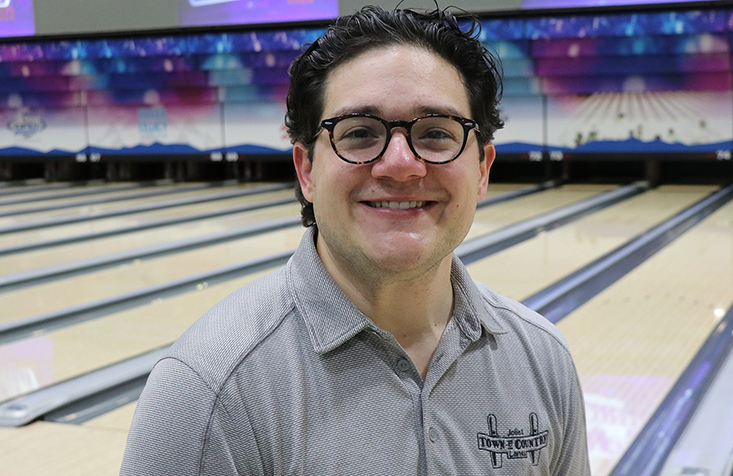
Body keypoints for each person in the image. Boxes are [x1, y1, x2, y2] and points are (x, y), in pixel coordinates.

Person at [120, 6, 590, 475]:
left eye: (437, 133)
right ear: (306, 171)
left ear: (483, 169)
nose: (402, 163)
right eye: (360, 133)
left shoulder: (542, 358)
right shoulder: (207, 391)